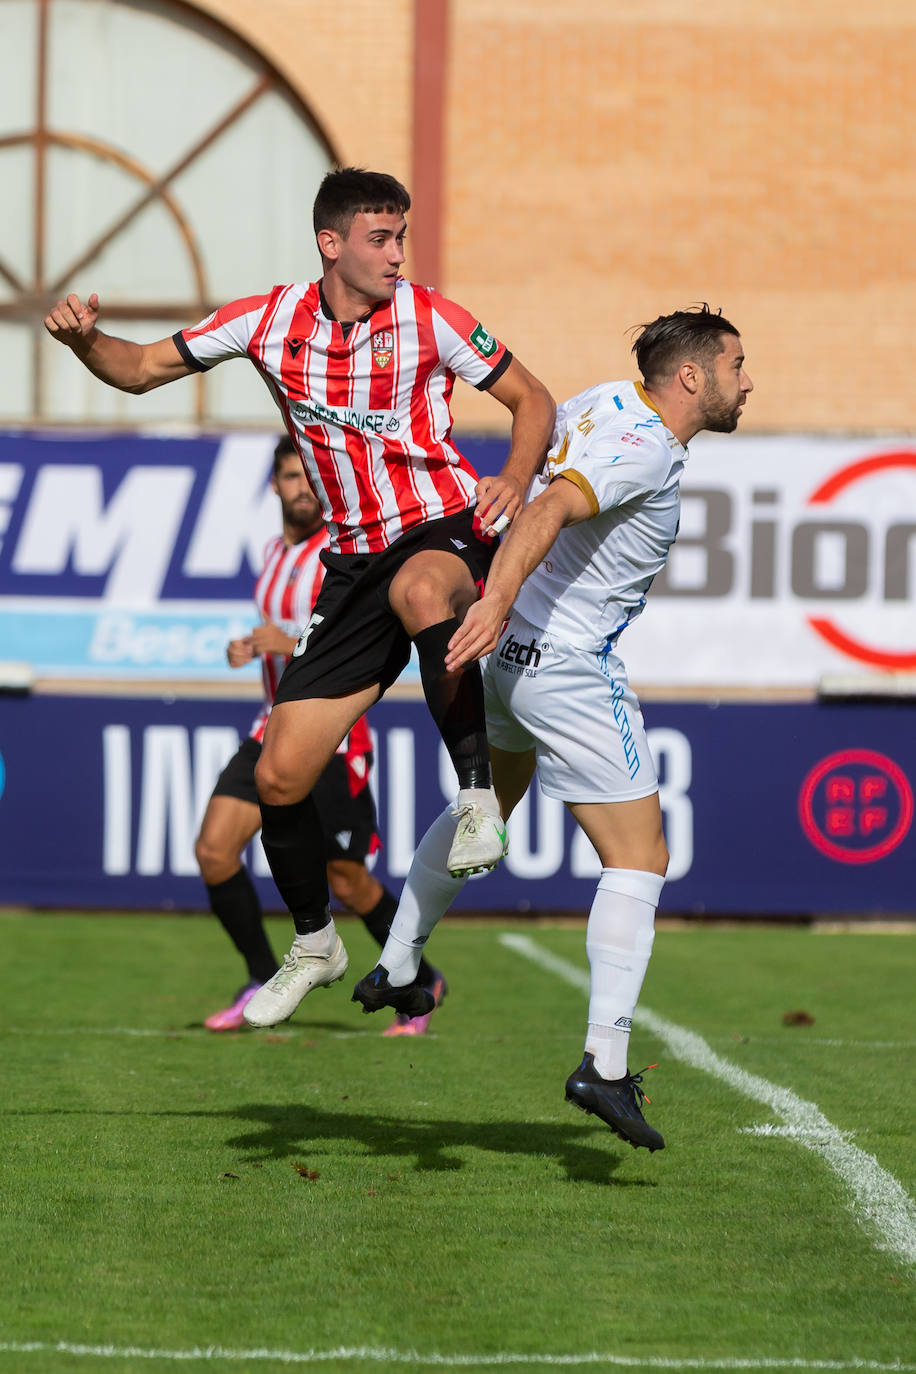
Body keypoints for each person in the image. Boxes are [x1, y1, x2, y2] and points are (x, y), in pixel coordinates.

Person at [43, 167, 555, 1030]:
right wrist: (82, 340)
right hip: (352, 565)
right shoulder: (267, 320)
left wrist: (512, 473)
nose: (398, 255)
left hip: (440, 526)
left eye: (402, 237)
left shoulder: (430, 316)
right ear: (332, 244)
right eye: (380, 239)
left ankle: (476, 800)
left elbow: (531, 397)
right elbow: (135, 369)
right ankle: (315, 943)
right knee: (281, 774)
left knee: (427, 585)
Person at [352, 306, 754, 1151]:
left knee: (488, 808)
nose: (747, 382)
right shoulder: (642, 443)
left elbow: (536, 468)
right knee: (642, 857)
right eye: (736, 365)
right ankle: (604, 1065)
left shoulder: (611, 401)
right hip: (563, 663)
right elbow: (549, 510)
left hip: (512, 661)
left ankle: (395, 960)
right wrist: (492, 598)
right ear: (692, 378)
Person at [195, 436, 445, 1036]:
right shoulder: (271, 553)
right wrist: (254, 649)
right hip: (270, 729)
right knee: (214, 851)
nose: (301, 488)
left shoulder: (343, 555)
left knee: (346, 880)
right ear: (274, 486)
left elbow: (356, 640)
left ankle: (422, 979)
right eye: (289, 477)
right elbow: (281, 635)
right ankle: (260, 974)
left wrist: (286, 643)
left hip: (335, 738)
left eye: (308, 477)